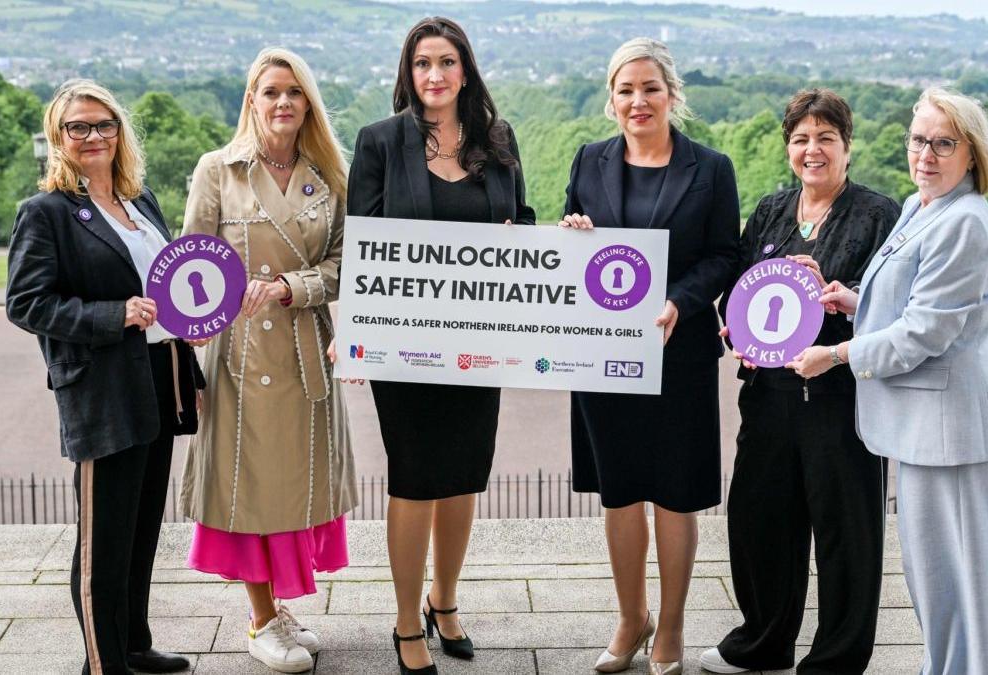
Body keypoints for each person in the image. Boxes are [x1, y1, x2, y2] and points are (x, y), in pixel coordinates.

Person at [786, 87, 988, 675]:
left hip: (954, 433)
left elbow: (923, 334)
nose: (926, 155)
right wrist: (854, 301)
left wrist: (835, 354)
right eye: (919, 140)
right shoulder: (922, 206)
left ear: (972, 153)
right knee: (933, 579)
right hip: (926, 430)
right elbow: (908, 303)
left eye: (944, 143)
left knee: (959, 585)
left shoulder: (964, 221)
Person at [336, 16, 535, 675]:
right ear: (408, 72)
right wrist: (357, 336)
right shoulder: (379, 142)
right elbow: (361, 244)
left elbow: (523, 224)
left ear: (466, 70)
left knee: (464, 477)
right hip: (407, 347)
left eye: (446, 62)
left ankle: (444, 602)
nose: (435, 75)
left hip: (482, 342)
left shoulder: (497, 140)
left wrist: (540, 241)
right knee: (416, 477)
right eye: (423, 63)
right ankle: (404, 623)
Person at [700, 89, 899, 675]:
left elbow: (890, 312)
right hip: (768, 398)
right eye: (801, 139)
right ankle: (762, 643)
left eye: (825, 138)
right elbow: (735, 293)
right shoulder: (770, 211)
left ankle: (835, 660)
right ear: (789, 147)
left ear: (847, 147)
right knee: (760, 521)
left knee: (845, 533)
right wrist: (734, 334)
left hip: (840, 398)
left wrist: (830, 295)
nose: (812, 150)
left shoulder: (877, 214)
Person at [6, 79, 201, 675]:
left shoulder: (141, 203)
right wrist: (112, 315)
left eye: (103, 125)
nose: (93, 137)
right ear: (58, 138)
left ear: (121, 132)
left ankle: (134, 646)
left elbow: (166, 290)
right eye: (78, 127)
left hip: (158, 380)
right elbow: (26, 303)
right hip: (102, 390)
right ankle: (102, 662)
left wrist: (189, 359)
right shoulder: (47, 213)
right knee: (102, 546)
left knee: (142, 531)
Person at [559, 37, 740, 675]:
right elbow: (570, 242)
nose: (638, 101)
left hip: (678, 351)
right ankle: (630, 620)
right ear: (611, 101)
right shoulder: (588, 161)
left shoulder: (711, 168)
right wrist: (573, 234)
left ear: (671, 96)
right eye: (626, 90)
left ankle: (671, 628)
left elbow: (725, 256)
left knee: (675, 494)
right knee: (621, 491)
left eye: (650, 89)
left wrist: (680, 301)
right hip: (603, 357)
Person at [179, 47, 358, 674]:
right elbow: (189, 267)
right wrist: (188, 365)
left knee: (295, 485)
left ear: (308, 102)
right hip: (240, 355)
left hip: (306, 349)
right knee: (248, 486)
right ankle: (258, 619)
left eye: (294, 92)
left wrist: (291, 288)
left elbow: (344, 266)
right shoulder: (216, 170)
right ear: (251, 99)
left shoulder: (330, 174)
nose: (283, 103)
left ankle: (278, 610)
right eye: (270, 91)